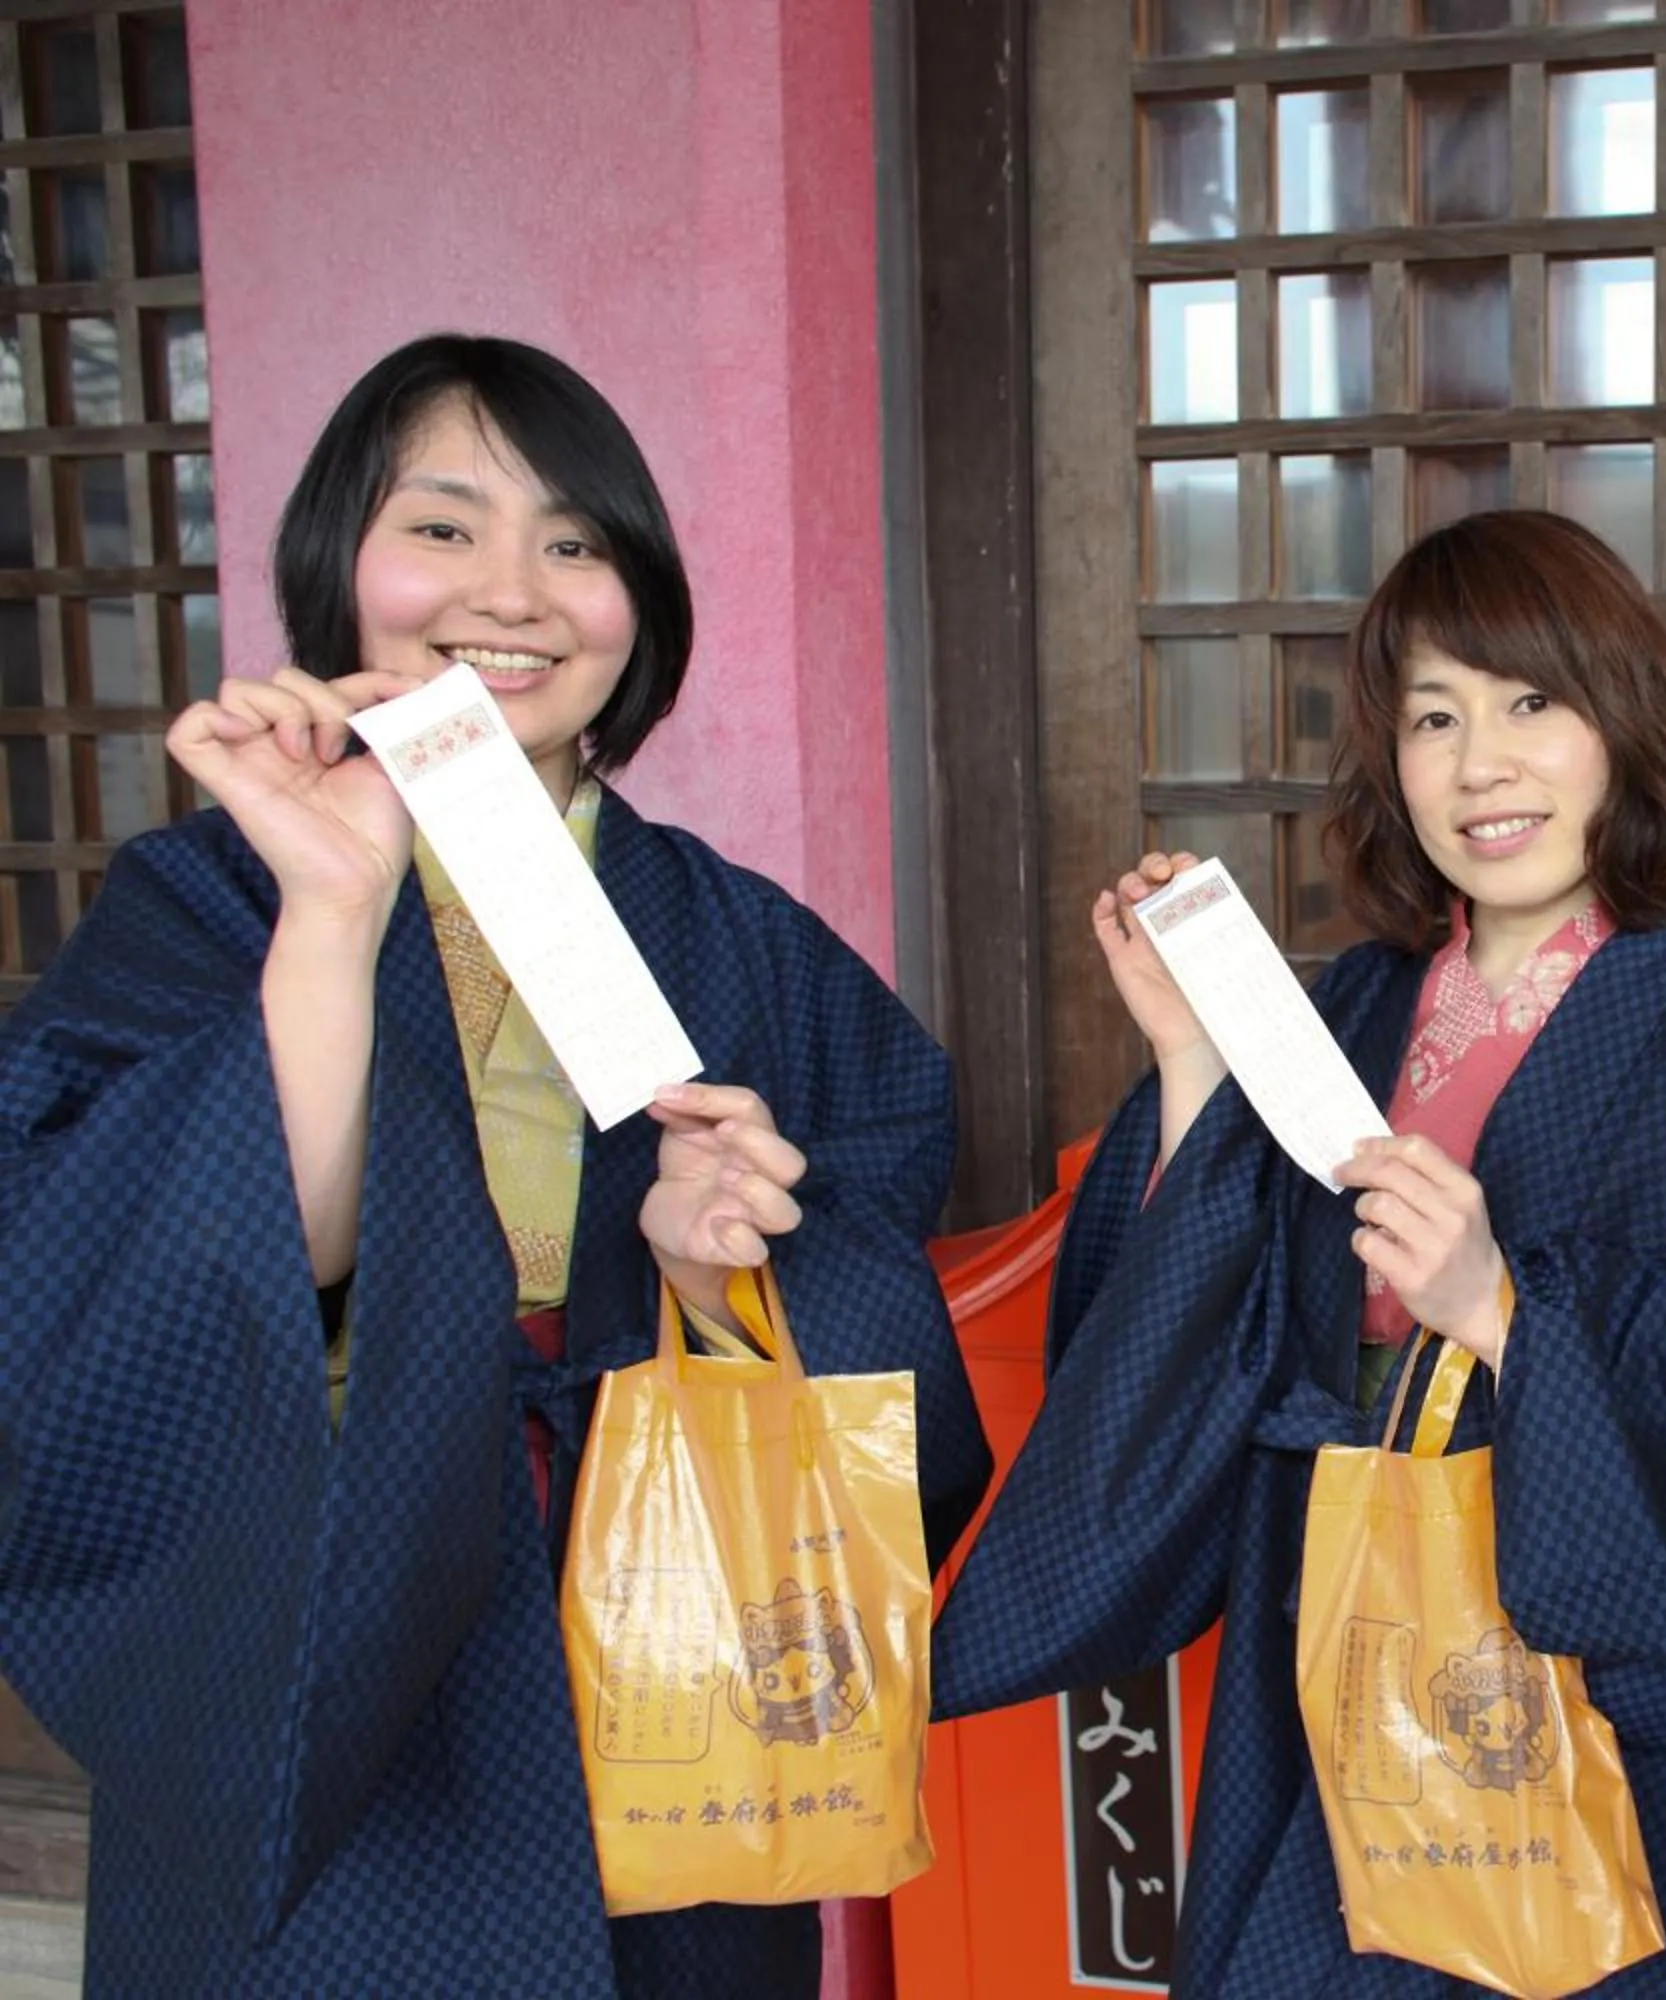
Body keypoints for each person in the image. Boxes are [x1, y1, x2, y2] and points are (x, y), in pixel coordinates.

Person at [0, 335, 994, 1996]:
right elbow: (169, 1278)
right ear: (342, 563)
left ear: (640, 595)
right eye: (445, 529)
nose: (514, 594)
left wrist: (729, 1276)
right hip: (337, 1592)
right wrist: (328, 919)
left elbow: (872, 1287)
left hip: (661, 1619)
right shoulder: (209, 900)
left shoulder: (745, 942)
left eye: (575, 543)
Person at [931, 509, 1666, 1994]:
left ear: (1628, 729)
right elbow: (1216, 1306)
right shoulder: (1356, 1009)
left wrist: (1505, 1313)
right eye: (1433, 718)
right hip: (1333, 1640)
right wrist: (1195, 1063)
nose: (1480, 764)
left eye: (1532, 705)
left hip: (1594, 1699)